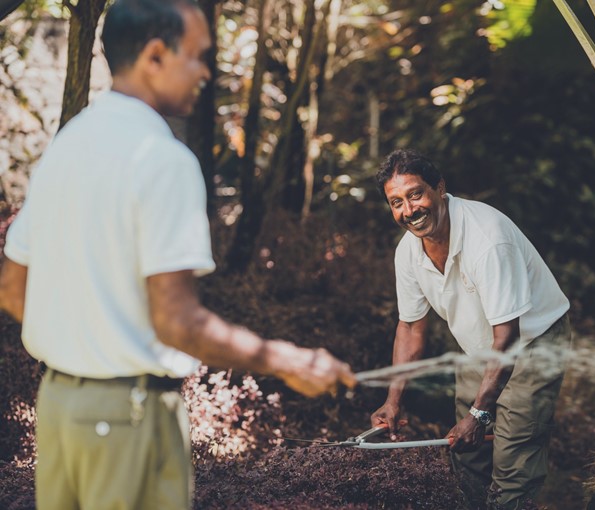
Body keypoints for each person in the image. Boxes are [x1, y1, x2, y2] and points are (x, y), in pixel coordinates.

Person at [0, 1, 355, 509]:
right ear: (155, 56)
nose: (206, 73)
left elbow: (13, 289)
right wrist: (289, 360)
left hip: (58, 410)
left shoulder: (66, 146)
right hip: (129, 416)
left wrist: (87, 332)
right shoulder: (163, 159)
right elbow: (178, 322)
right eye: (198, 56)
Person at [370, 149, 571, 510]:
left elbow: (508, 339)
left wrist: (480, 413)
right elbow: (410, 327)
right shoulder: (408, 253)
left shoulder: (487, 240)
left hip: (532, 341)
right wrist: (394, 400)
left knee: (514, 458)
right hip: (481, 345)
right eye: (396, 202)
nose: (409, 210)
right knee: (466, 451)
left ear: (439, 189)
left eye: (415, 194)